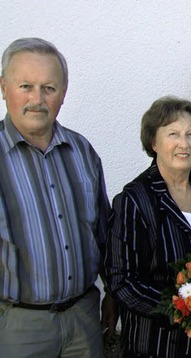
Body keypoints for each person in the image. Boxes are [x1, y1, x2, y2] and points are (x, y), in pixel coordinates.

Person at [0, 37, 117, 357]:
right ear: (3, 87)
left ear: (63, 93)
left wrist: (114, 294)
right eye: (25, 85)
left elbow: (103, 232)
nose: (37, 99)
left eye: (49, 88)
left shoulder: (82, 152)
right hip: (17, 326)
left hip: (84, 320)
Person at [105, 96, 191, 357]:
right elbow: (122, 281)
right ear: (154, 142)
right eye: (173, 134)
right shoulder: (135, 200)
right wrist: (183, 309)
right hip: (161, 345)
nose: (184, 144)